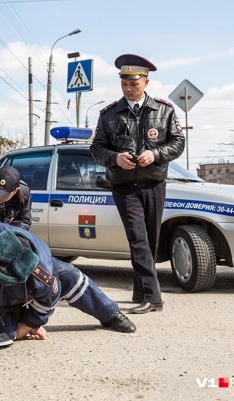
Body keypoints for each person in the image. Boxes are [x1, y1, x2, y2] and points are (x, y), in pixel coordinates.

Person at [0, 222, 136, 348]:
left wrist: (27, 325)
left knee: (71, 277)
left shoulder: (43, 272)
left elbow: (47, 302)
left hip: (15, 291)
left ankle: (111, 314)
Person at [90, 54, 185, 314]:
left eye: (134, 84)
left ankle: (139, 289)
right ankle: (154, 298)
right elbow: (96, 148)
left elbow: (178, 143)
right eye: (124, 84)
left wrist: (155, 154)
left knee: (150, 240)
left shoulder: (164, 110)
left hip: (154, 184)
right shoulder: (109, 114)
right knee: (138, 238)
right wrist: (116, 157)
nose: (129, 89)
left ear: (146, 81)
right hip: (123, 187)